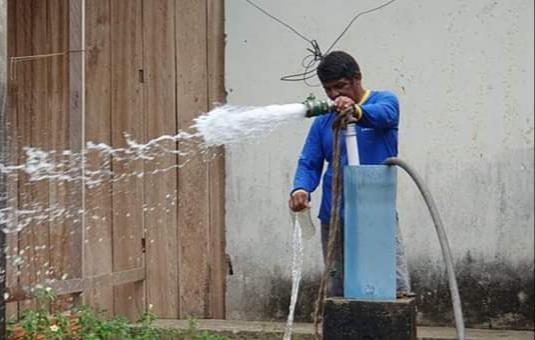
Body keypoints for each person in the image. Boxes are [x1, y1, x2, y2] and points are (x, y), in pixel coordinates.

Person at [288, 50, 411, 297]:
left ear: (357, 79)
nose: (335, 95)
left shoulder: (384, 101)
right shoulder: (324, 119)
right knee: (339, 289)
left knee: (392, 289)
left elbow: (385, 114)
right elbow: (309, 162)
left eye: (340, 86)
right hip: (334, 216)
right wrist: (300, 189)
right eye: (328, 89)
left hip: (376, 213)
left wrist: (357, 112)